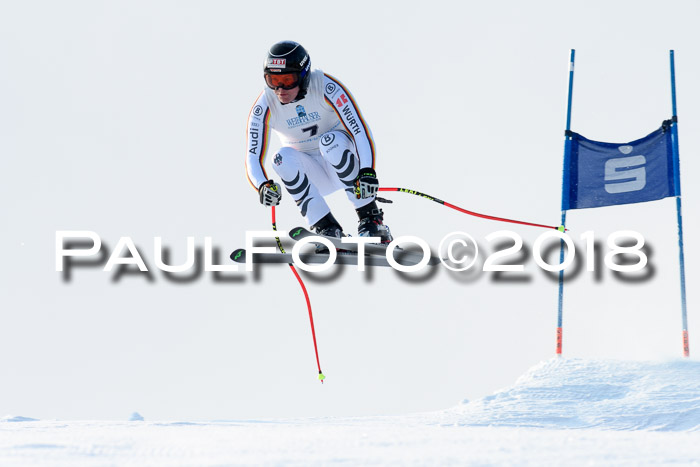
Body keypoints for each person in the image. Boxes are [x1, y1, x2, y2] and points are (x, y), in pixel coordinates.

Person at [245, 40, 392, 248]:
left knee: (329, 141)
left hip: (344, 166)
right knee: (279, 158)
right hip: (312, 175)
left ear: (304, 76)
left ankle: (371, 220)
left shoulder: (325, 87)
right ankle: (326, 228)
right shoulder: (264, 105)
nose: (280, 89)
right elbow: (252, 156)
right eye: (273, 80)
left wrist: (367, 171)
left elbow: (360, 131)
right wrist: (262, 186)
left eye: (288, 80)